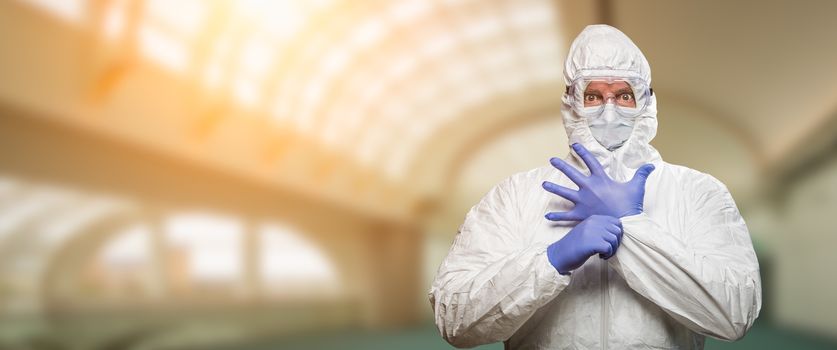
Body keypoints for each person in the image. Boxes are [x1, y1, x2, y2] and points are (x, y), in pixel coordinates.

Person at [428, 24, 761, 349]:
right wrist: (550, 261)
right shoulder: (516, 196)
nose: (609, 109)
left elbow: (734, 314)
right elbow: (455, 320)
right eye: (593, 95)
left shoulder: (698, 193)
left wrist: (631, 232)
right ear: (571, 102)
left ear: (646, 102)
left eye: (624, 95)